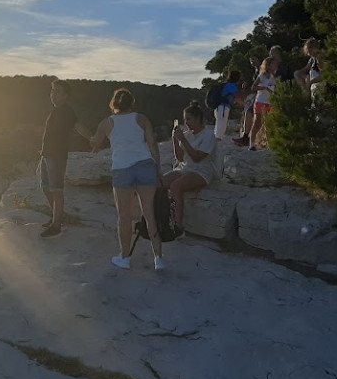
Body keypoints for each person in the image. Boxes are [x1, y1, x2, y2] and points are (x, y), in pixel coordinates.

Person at [90, 88, 165, 271]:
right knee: (149, 214)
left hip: (122, 168)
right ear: (132, 103)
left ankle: (125, 257)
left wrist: (88, 137)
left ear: (114, 103)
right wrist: (158, 168)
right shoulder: (141, 119)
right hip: (145, 165)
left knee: (124, 216)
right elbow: (152, 144)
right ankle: (159, 258)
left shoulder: (107, 123)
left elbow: (94, 143)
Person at [38, 79, 92, 238]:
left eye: (57, 91)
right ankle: (57, 217)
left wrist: (93, 138)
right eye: (52, 90)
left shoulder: (67, 111)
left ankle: (56, 225)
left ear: (66, 96)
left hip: (57, 156)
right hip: (47, 155)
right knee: (45, 186)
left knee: (56, 190)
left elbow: (78, 126)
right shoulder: (55, 111)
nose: (53, 94)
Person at [163, 101, 218, 234]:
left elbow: (197, 158)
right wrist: (175, 142)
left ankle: (178, 226)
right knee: (161, 182)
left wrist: (183, 140)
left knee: (176, 186)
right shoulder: (187, 134)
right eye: (185, 119)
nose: (186, 122)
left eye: (189, 119)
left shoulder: (209, 135)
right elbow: (180, 158)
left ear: (198, 119)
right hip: (185, 169)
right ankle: (161, 216)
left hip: (202, 171)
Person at [248, 56, 278, 151]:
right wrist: (264, 88)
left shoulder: (273, 77)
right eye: (273, 64)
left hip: (270, 102)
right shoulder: (262, 76)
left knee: (269, 124)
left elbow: (274, 89)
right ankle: (252, 144)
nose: (275, 66)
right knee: (257, 123)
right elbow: (253, 87)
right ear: (268, 65)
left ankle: (269, 145)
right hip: (260, 101)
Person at [294, 38, 326, 103]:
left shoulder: (320, 58)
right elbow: (305, 69)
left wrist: (310, 82)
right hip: (314, 87)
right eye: (307, 48)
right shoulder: (312, 59)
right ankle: (306, 94)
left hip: (320, 87)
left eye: (310, 47)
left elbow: (324, 75)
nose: (308, 50)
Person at [214, 70, 241, 141]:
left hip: (219, 106)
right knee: (222, 122)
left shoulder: (226, 84)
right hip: (223, 106)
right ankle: (218, 138)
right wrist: (244, 104)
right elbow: (237, 97)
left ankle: (217, 137)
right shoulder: (231, 86)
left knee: (219, 122)